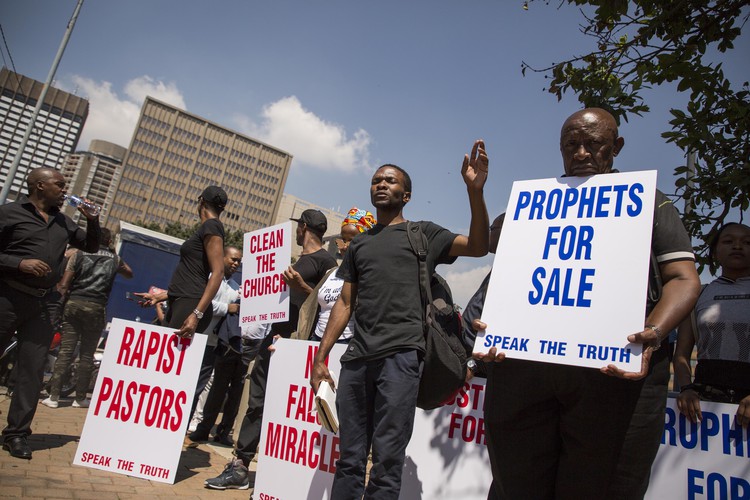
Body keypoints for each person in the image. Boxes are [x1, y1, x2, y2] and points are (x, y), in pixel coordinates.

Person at [473, 108, 701, 499]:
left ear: (616, 147)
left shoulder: (650, 202)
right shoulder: (533, 207)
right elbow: (507, 277)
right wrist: (498, 328)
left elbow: (683, 279)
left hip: (613, 377)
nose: (580, 153)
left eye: (593, 144)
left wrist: (652, 334)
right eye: (570, 145)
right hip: (527, 376)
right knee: (518, 484)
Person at [310, 140, 489, 498]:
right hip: (357, 359)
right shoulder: (359, 244)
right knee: (349, 459)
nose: (381, 184)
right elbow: (345, 302)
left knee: (388, 461)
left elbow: (478, 247)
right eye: (377, 180)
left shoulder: (423, 233)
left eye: (390, 181)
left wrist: (475, 192)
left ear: (406, 195)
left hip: (402, 358)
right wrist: (321, 356)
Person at [204, 208, 337, 490]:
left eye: (298, 228)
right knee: (258, 402)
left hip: (298, 346)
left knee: (294, 411)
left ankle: (290, 473)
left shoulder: (325, 261)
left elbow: (327, 305)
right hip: (273, 340)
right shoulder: (299, 260)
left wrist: (300, 286)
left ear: (303, 228)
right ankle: (240, 466)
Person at [0, 167, 101, 460]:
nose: (64, 188)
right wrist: (19, 264)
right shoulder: (9, 213)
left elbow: (91, 245)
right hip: (7, 296)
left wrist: (92, 220)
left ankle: (17, 435)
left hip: (44, 305)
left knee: (31, 371)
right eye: (59, 184)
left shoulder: (64, 222)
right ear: (39, 186)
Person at [42, 228, 133, 409]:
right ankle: (80, 398)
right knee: (87, 354)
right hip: (96, 308)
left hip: (74, 304)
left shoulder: (79, 255)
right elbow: (130, 273)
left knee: (66, 351)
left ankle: (53, 397)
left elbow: (64, 284)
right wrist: (114, 254)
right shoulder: (114, 259)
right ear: (109, 241)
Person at [674, 222, 750, 428]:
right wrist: (686, 388)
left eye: (747, 242)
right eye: (728, 241)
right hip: (706, 404)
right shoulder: (699, 294)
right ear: (715, 252)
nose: (737, 246)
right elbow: (681, 353)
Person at [136, 185, 228, 339]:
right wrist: (159, 297)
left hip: (190, 306)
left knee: (168, 359)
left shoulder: (212, 226)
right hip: (182, 301)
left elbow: (218, 272)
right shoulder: (207, 228)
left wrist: (196, 314)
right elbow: (192, 275)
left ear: (201, 202)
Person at [297, 207, 377, 343]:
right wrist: (292, 341)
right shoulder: (330, 274)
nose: (345, 246)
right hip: (316, 341)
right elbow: (312, 312)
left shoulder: (371, 277)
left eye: (352, 240)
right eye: (342, 239)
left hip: (347, 344)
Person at [186, 245, 243, 432]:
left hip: (213, 345)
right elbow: (203, 303)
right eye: (233, 259)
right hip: (194, 339)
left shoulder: (236, 288)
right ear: (223, 257)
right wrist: (228, 308)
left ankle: (187, 422)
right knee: (186, 384)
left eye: (239, 261)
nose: (236, 263)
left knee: (198, 387)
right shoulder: (210, 278)